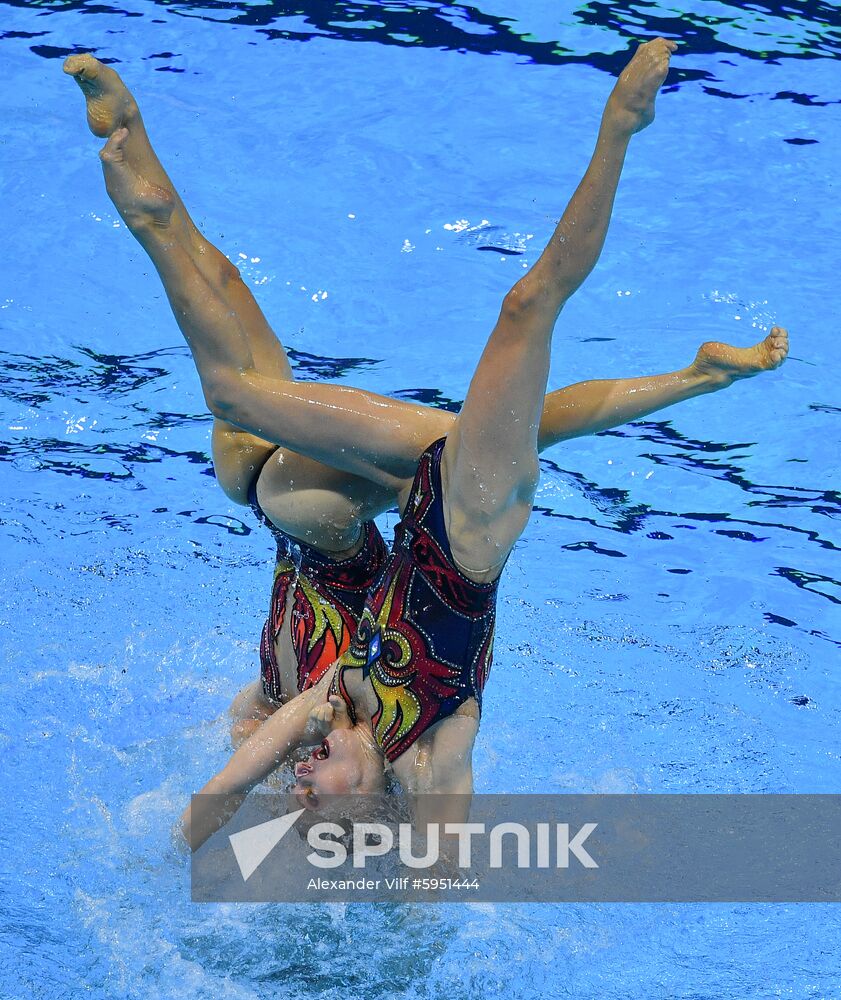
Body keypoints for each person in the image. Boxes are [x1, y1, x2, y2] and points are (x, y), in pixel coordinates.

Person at [64, 40, 788, 847]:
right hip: (465, 528)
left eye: (294, 789)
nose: (301, 776)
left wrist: (172, 866)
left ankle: (136, 157)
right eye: (313, 794)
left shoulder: (320, 710)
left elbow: (222, 793)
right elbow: (432, 885)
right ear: (367, 813)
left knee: (238, 392)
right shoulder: (431, 762)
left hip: (375, 510)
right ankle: (620, 129)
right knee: (526, 308)